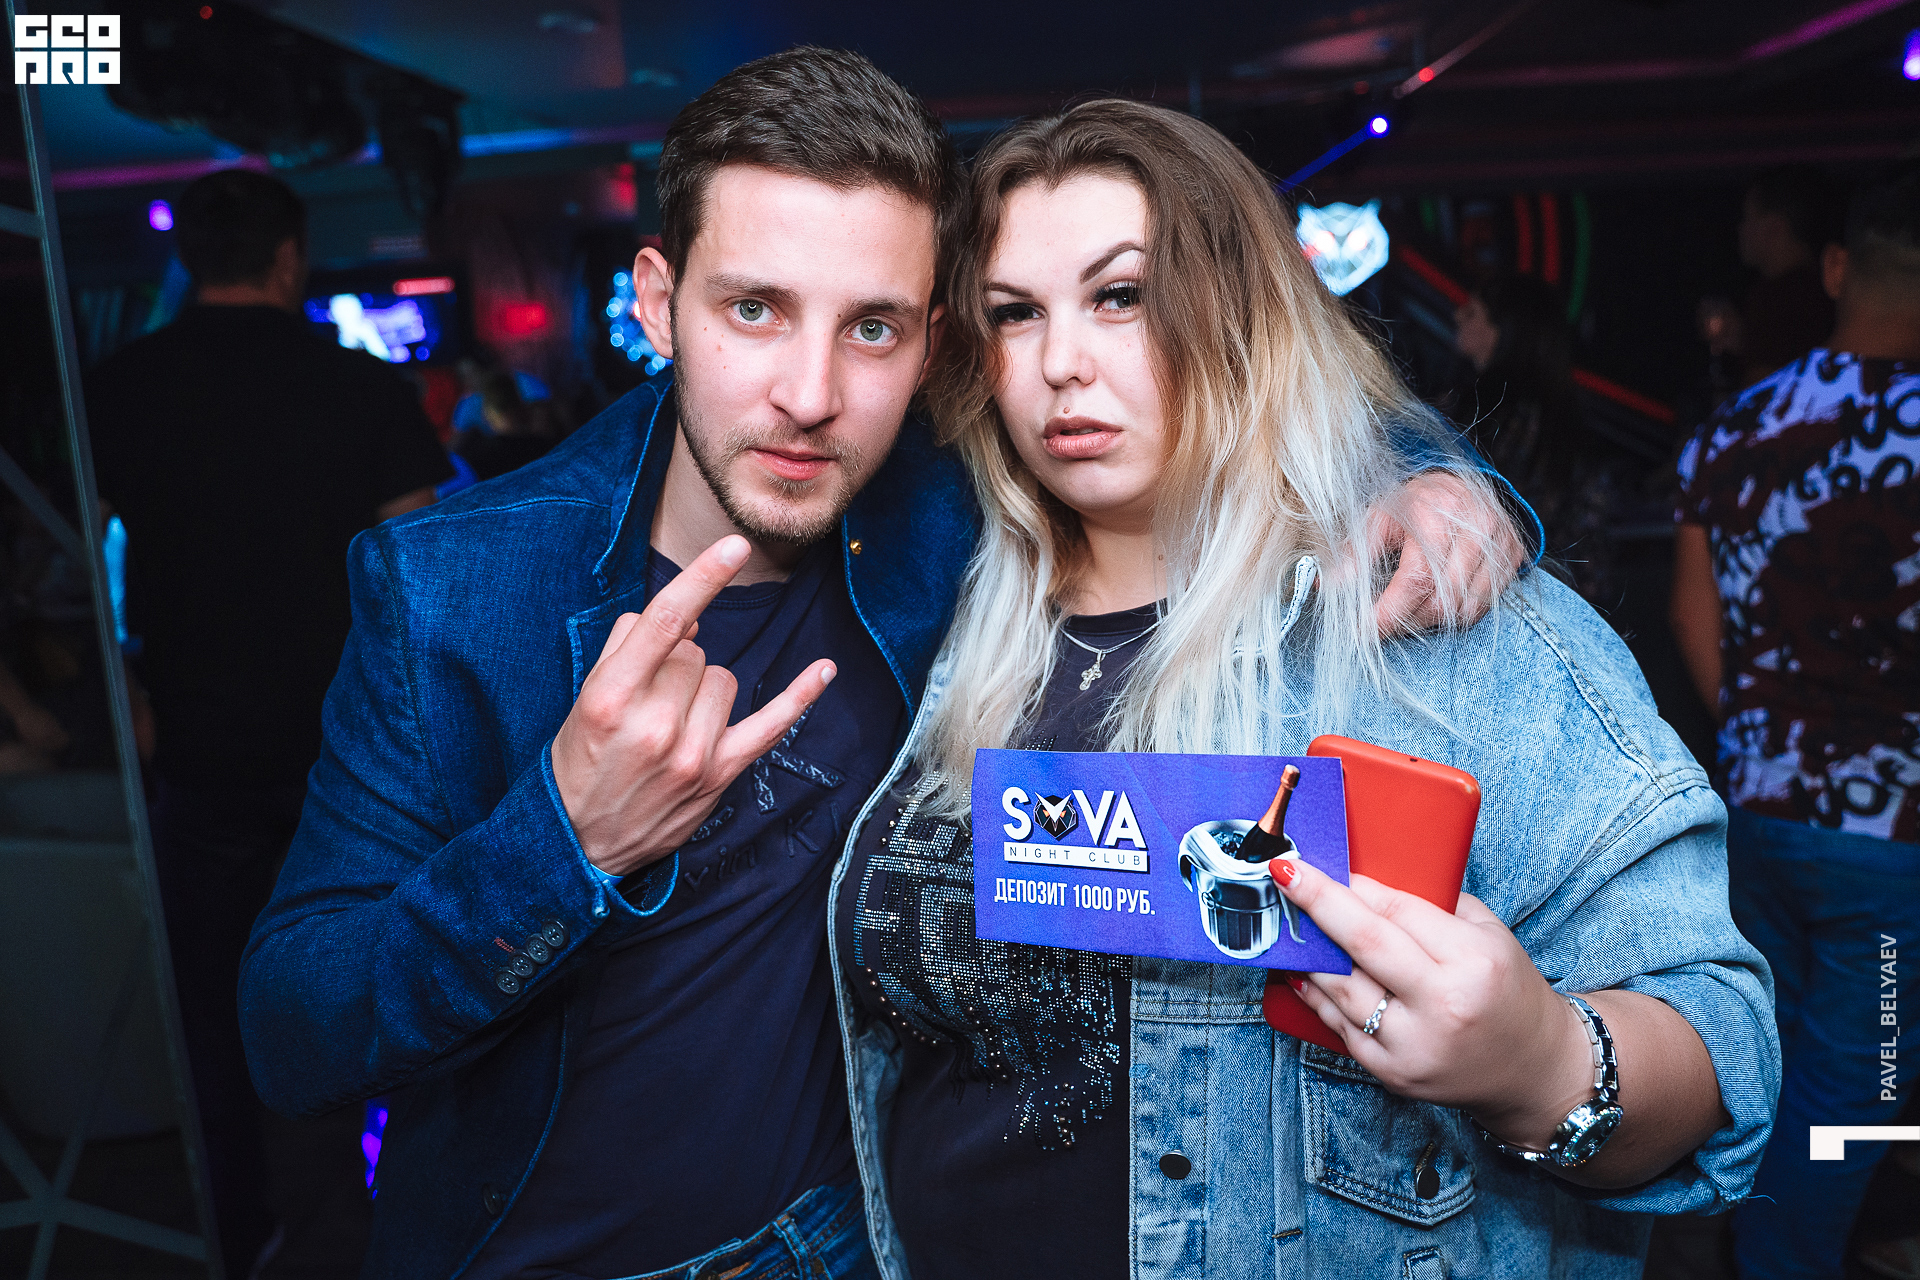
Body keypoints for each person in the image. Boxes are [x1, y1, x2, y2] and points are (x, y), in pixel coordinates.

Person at [237, 49, 1527, 1280]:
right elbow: (293, 1030)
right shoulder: (456, 589)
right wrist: (564, 840)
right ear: (655, 301)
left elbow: (1241, 397)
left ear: (934, 341)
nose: (810, 393)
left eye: (872, 329)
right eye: (754, 309)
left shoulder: (948, 507)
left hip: (839, 1242)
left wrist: (1438, 480)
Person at [830, 99, 1777, 1280]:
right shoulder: (932, 608)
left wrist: (1536, 1061)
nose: (1059, 362)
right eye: (1015, 312)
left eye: (1120, 295)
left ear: (1243, 312)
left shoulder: (1436, 624)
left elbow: (1725, 1045)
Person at [87, 169, 453, 1280]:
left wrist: (127, 695)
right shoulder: (358, 384)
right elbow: (419, 575)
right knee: (381, 982)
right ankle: (379, 1226)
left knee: (216, 1002)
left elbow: (76, 557)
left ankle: (246, 1236)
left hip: (198, 741)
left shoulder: (121, 385)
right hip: (355, 753)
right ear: (291, 259)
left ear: (188, 258)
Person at [1669, 166, 1920, 1280]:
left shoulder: (1740, 423)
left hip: (1758, 812)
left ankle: (1747, 1235)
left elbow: (1692, 614)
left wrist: (1770, 744)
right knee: (1862, 1086)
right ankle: (1785, 1256)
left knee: (1766, 1053)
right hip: (1892, 837)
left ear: (1835, 270)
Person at [1453, 272, 1621, 605]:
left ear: (1505, 329)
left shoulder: (1498, 412)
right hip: (1565, 602)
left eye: (1471, 312)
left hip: (1509, 600)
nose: (1457, 316)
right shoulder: (1562, 413)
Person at [1736, 164, 1845, 386]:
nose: (1741, 229)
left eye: (1748, 218)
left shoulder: (1774, 300)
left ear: (1775, 227)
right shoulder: (1832, 288)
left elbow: (1764, 393)